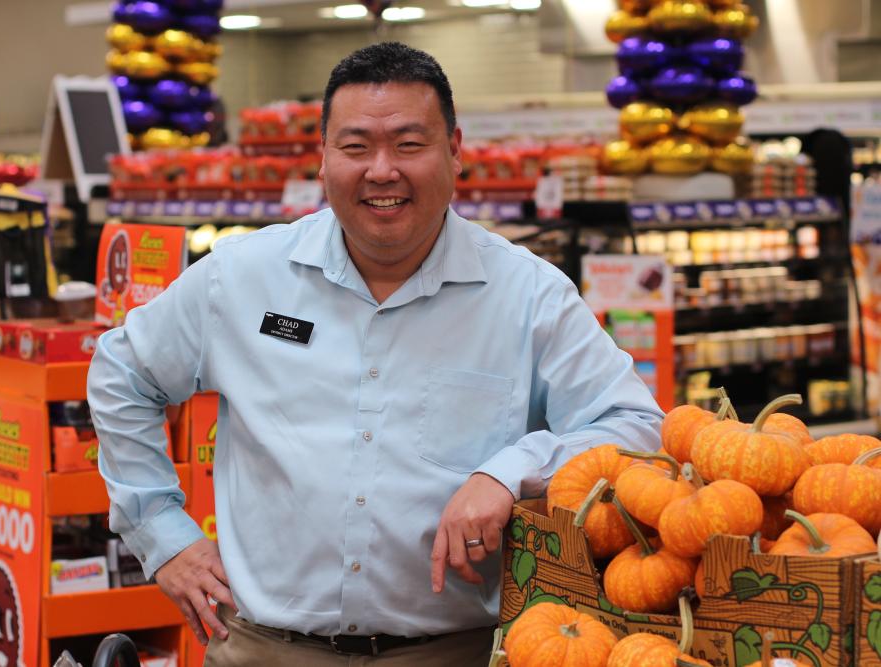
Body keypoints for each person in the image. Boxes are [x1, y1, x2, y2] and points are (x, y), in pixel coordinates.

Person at [87, 41, 663, 666]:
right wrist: (162, 537)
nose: (382, 171)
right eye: (355, 147)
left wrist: (510, 472)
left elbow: (636, 429)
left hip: (457, 653)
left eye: (410, 145)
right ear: (324, 158)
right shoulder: (243, 277)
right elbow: (123, 372)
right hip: (263, 649)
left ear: (456, 151)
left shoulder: (529, 296)